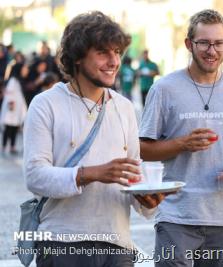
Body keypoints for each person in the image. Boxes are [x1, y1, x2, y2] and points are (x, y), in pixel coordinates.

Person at [23, 11, 168, 267]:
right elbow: (35, 176)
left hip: (118, 245)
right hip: (62, 243)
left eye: (117, 52)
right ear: (78, 57)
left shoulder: (124, 108)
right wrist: (91, 173)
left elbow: (133, 175)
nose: (114, 61)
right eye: (102, 52)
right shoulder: (46, 104)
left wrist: (148, 200)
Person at [139, 9, 223, 267]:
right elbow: (142, 149)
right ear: (189, 44)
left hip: (222, 216)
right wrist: (182, 144)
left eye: (219, 43)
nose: (212, 50)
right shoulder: (164, 88)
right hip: (176, 215)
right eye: (204, 42)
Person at [0, 63, 27, 154]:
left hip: (17, 109)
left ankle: (12, 146)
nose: (25, 70)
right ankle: (4, 146)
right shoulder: (13, 80)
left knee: (14, 127)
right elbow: (9, 93)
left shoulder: (19, 80)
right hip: (12, 108)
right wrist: (11, 105)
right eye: (24, 68)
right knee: (8, 127)